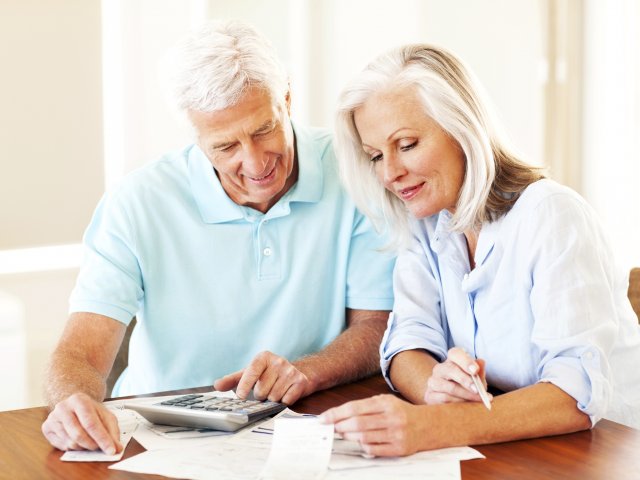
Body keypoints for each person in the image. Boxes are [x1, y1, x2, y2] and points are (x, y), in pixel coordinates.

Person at [41, 20, 394, 455]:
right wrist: (72, 403)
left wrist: (309, 371)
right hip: (159, 431)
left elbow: (376, 326)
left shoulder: (356, 172)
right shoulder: (136, 202)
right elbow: (80, 354)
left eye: (264, 129)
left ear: (286, 97)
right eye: (226, 146)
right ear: (194, 135)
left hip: (302, 421)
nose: (255, 162)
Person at [320, 44, 640, 456]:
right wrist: (433, 386)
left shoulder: (552, 215)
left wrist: (434, 424)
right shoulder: (426, 221)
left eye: (407, 143)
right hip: (520, 446)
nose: (390, 173)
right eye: (376, 156)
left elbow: (574, 394)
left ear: (462, 128)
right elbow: (406, 343)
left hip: (609, 449)